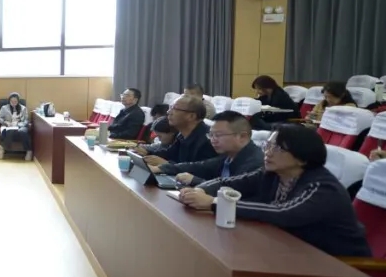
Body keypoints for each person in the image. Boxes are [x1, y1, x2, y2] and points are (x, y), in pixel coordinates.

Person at [178, 125, 372, 257]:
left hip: (337, 263)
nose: (268, 153)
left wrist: (214, 203)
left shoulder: (322, 187)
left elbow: (284, 212)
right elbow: (228, 182)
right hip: (292, 249)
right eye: (268, 146)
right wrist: (199, 190)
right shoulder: (271, 173)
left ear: (302, 157)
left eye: (278, 149)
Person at [154, 111, 263, 184]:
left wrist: (196, 181)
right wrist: (161, 168)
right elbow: (200, 166)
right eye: (211, 135)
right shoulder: (228, 156)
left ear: (242, 137)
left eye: (218, 135)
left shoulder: (255, 163)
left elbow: (233, 193)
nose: (213, 140)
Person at [143, 96, 216, 165]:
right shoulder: (182, 134)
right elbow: (170, 154)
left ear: (191, 116)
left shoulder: (208, 141)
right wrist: (146, 152)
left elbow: (199, 170)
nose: (168, 112)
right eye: (170, 108)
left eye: (174, 109)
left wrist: (167, 164)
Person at [0, 92, 31, 160]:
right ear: (9, 101)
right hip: (8, 126)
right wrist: (5, 122)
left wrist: (19, 124)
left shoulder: (23, 108)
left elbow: (26, 120)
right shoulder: (4, 108)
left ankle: (28, 151)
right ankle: (2, 148)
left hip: (20, 126)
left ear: (18, 101)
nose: (14, 103)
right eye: (12, 101)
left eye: (15, 101)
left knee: (22, 132)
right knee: (10, 131)